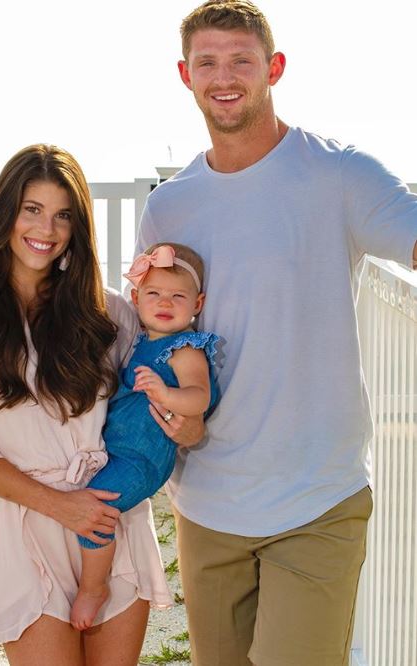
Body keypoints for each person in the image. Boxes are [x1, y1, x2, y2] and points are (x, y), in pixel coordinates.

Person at [134, 2, 417, 665]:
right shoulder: (167, 206)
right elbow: (154, 335)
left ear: (274, 68)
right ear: (185, 74)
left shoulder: (337, 174)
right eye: (207, 62)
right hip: (205, 498)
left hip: (316, 496)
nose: (223, 76)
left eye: (240, 59)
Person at [0, 144, 177, 666]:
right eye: (32, 209)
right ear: (5, 212)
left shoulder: (109, 314)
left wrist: (184, 423)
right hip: (27, 525)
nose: (46, 230)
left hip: (109, 521)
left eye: (62, 216)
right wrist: (59, 505)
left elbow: (151, 398)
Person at [70, 242, 219, 631]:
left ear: (197, 304)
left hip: (142, 458)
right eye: (153, 293)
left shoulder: (185, 350)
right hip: (120, 448)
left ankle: (93, 588)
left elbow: (199, 397)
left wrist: (165, 393)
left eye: (178, 296)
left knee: (97, 512)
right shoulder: (142, 340)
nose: (164, 302)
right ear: (135, 298)